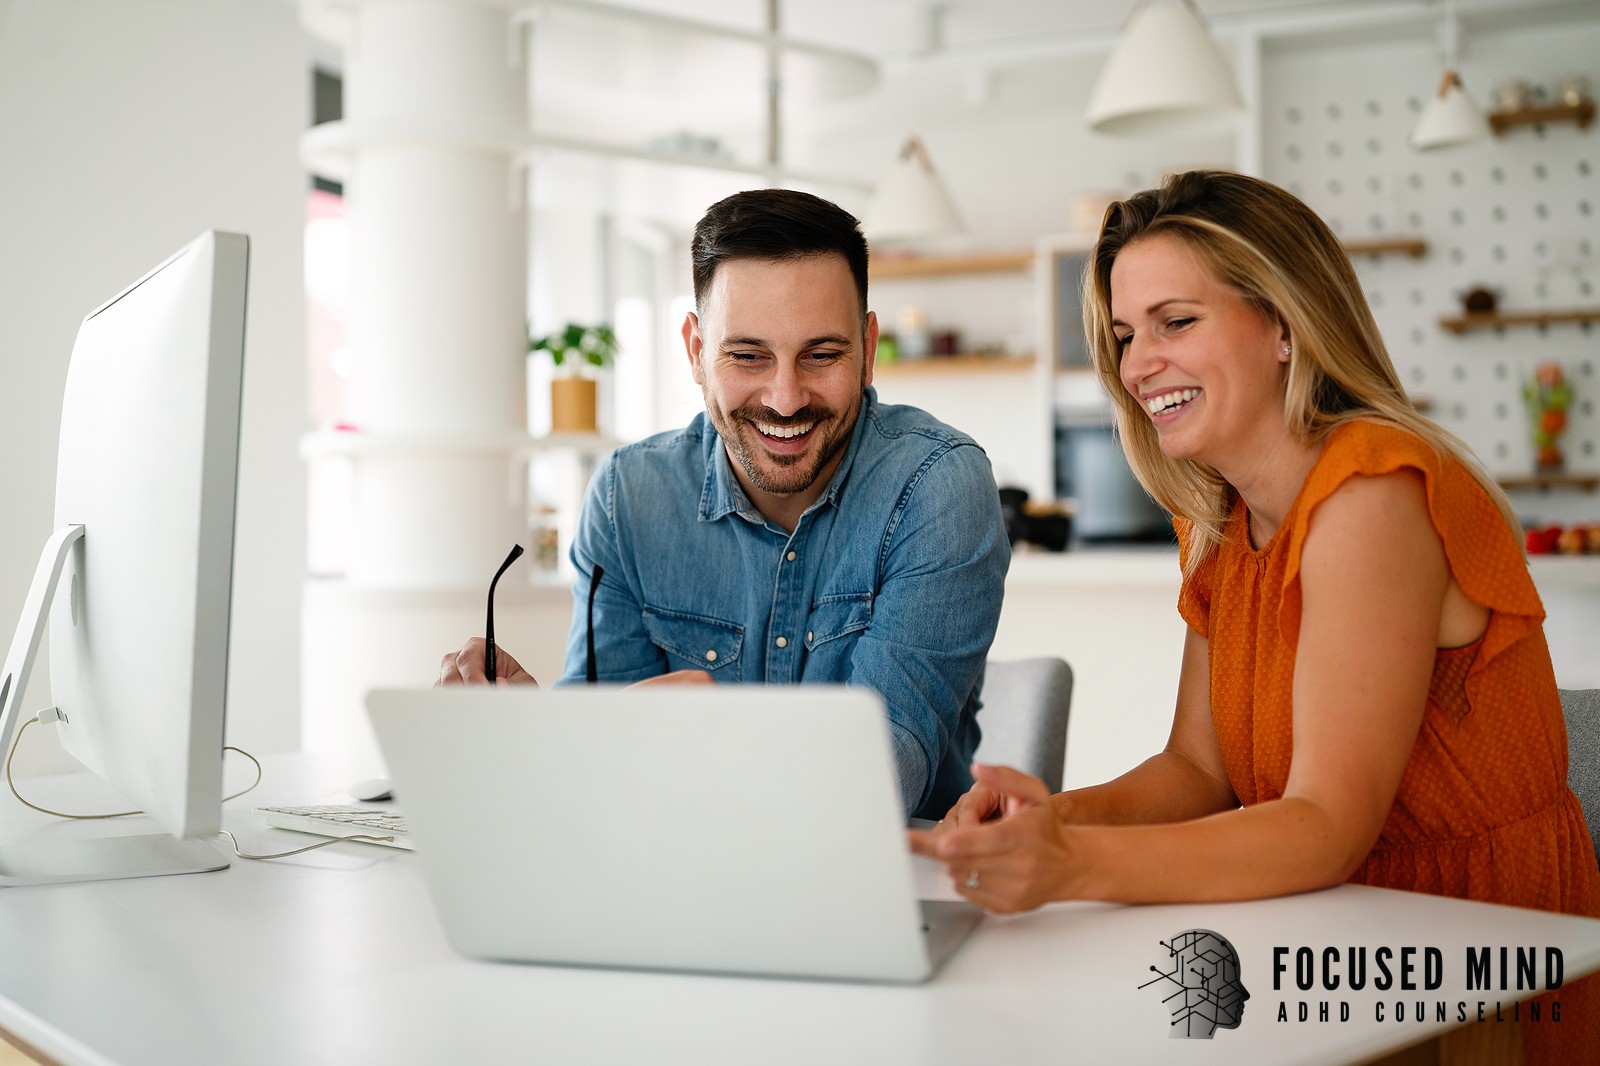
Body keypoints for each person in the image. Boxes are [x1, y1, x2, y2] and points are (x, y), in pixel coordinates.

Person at [909, 170, 1598, 1063]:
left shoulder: (1372, 495)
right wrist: (1049, 825)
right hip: (1326, 931)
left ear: (1284, 326)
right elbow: (1197, 770)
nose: (1137, 364)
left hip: (1470, 959)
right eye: (1125, 334)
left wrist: (1073, 865)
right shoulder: (1219, 523)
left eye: (1176, 322)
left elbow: (1325, 826)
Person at [439, 188, 1010, 820]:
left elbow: (875, 785)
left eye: (822, 355)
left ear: (869, 350)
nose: (786, 398)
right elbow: (601, 778)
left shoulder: (937, 487)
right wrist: (532, 737)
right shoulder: (629, 500)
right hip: (668, 867)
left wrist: (700, 740)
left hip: (887, 872)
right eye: (747, 356)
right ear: (695, 351)